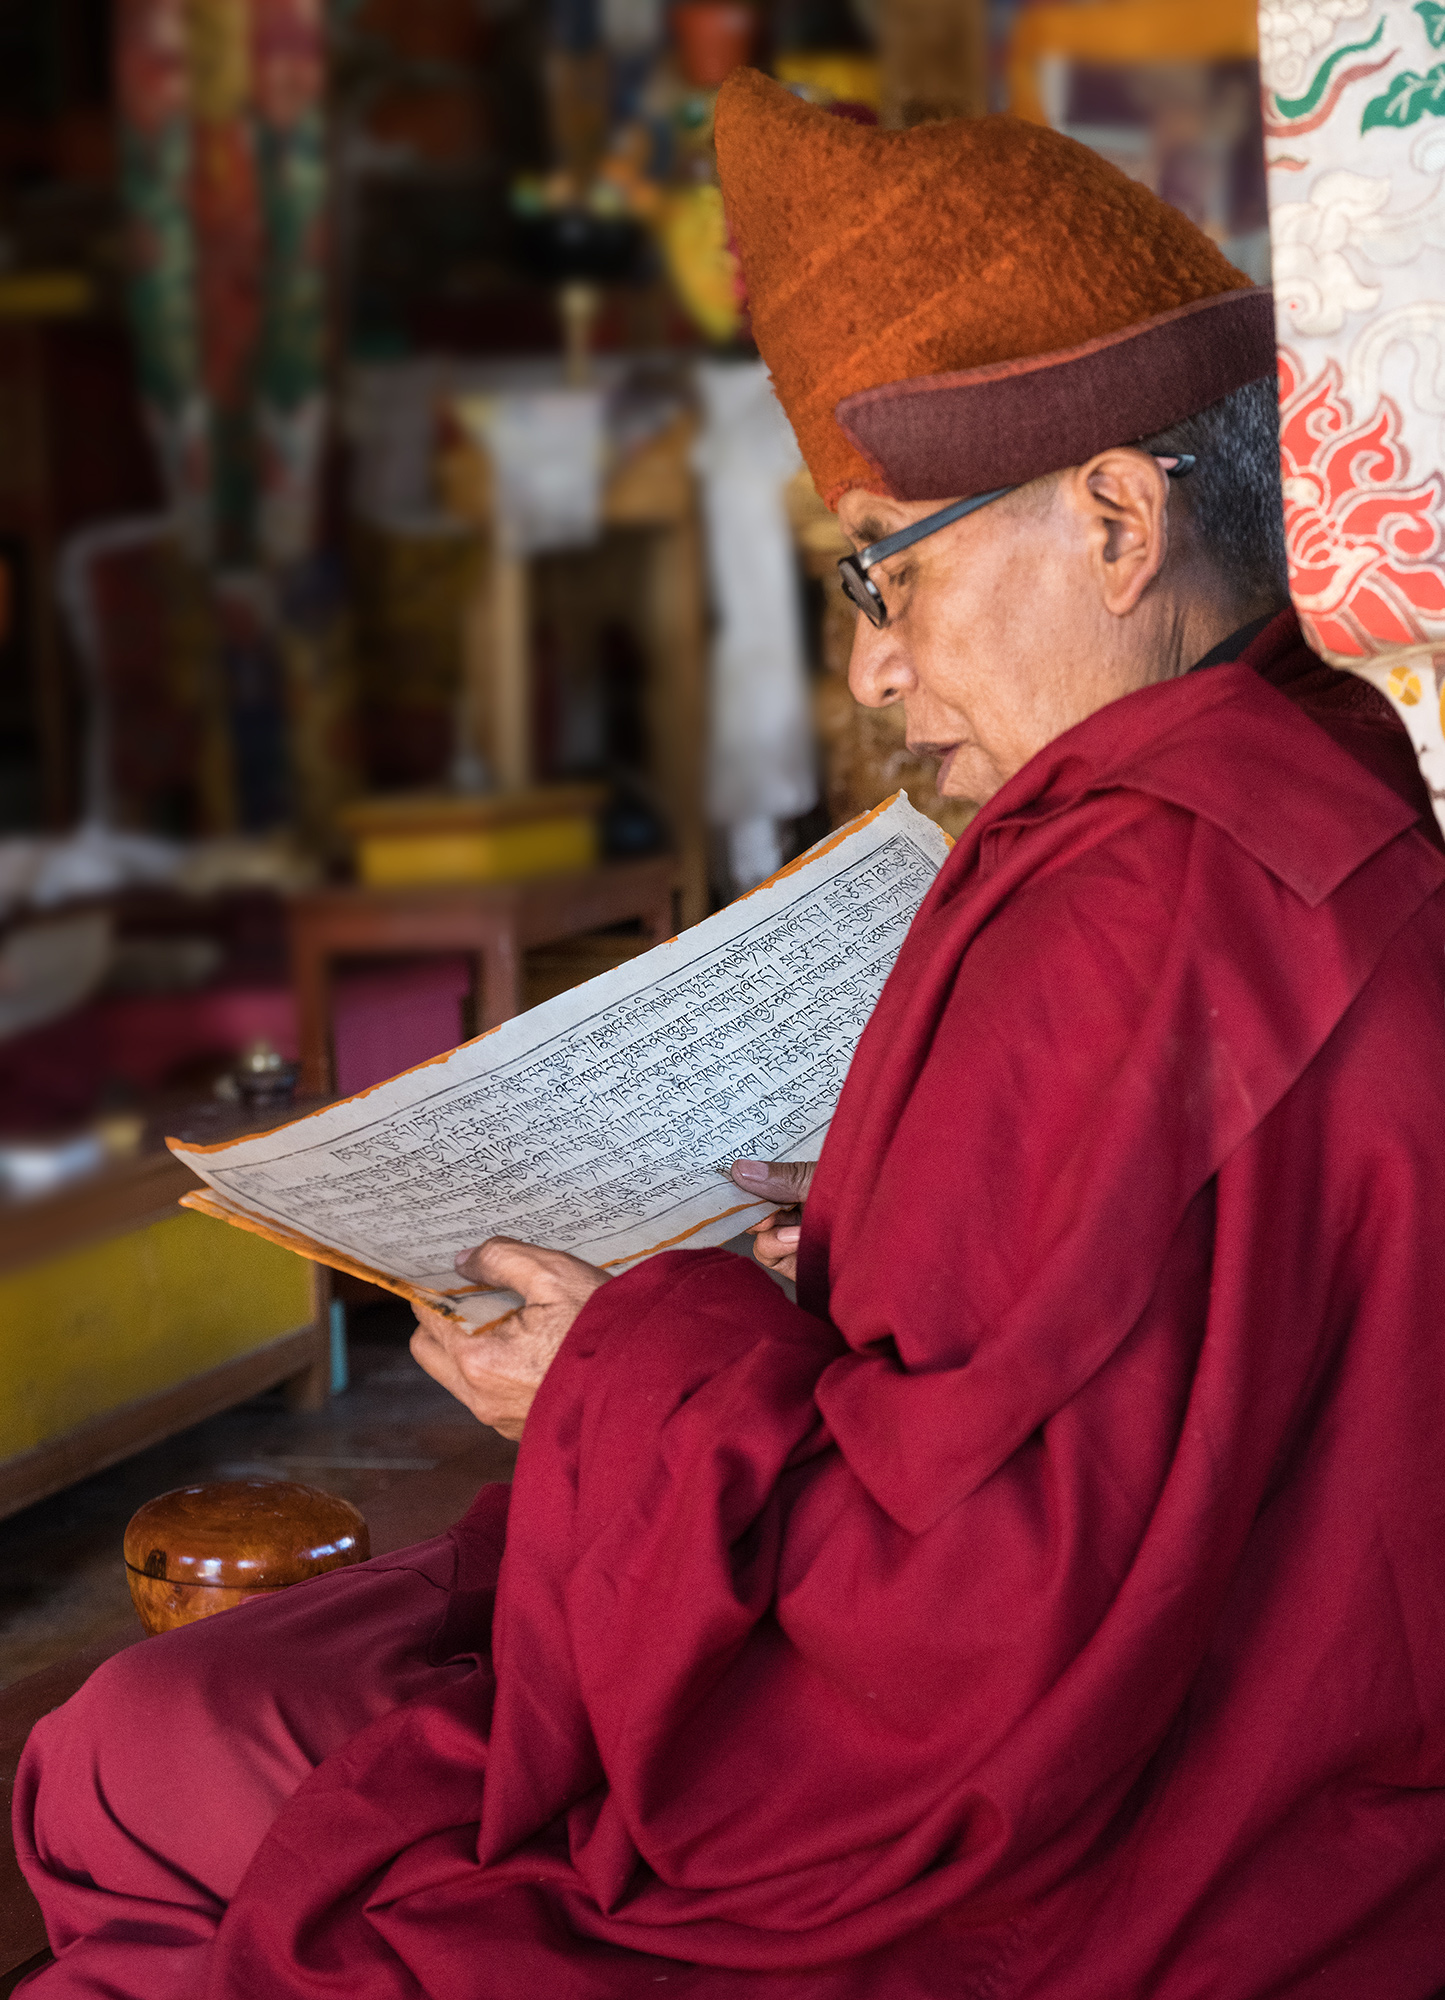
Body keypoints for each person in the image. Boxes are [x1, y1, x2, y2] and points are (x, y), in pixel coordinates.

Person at [16, 71, 1445, 2000]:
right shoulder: (1323, 768)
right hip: (1307, 1728)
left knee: (135, 1754)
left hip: (1085, 1839)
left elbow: (955, 1636)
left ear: (1114, 519)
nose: (873, 661)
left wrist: (604, 1368)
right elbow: (1111, 1338)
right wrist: (852, 1226)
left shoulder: (1131, 899)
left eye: (891, 566)